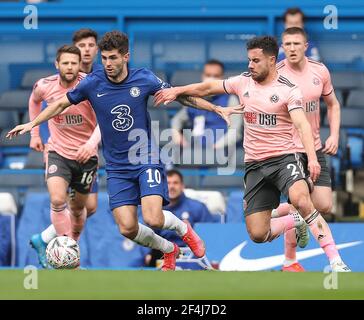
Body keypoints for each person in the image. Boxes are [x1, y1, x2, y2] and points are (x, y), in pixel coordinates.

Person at [7, 31, 242, 271]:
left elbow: (181, 97)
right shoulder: (92, 83)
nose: (108, 64)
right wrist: (32, 124)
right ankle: (169, 249)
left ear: (126, 57)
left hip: (145, 158)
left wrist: (214, 108)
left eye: (113, 58)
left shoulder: (144, 78)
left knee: (153, 218)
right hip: (117, 166)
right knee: (127, 228)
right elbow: (58, 104)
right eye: (105, 58)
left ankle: (185, 231)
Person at [154, 35, 350, 272]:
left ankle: (336, 262)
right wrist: (177, 90)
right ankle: (294, 219)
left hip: (285, 158)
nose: (250, 65)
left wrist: (310, 157)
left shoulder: (289, 90)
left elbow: (302, 125)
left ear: (270, 60)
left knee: (301, 198)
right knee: (259, 233)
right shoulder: (242, 82)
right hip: (255, 165)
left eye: (256, 61)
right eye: (249, 60)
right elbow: (207, 87)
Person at [30, 29, 101, 268]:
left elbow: (105, 118)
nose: (70, 66)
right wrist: (34, 133)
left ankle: (46, 240)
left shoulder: (94, 84)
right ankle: (66, 253)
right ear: (57, 63)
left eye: (74, 63)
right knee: (58, 199)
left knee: (84, 209)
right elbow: (34, 99)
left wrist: (92, 143)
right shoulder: (45, 84)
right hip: (57, 152)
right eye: (66, 62)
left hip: (87, 155)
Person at [272, 27, 341, 271]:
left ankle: (272, 211)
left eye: (296, 44)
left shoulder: (319, 71)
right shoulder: (275, 73)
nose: (291, 48)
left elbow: (333, 105)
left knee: (323, 205)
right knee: (301, 203)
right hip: (287, 149)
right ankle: (290, 261)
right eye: (287, 44)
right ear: (282, 47)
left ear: (306, 45)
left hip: (314, 146)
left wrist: (333, 134)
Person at [145, 169, 217, 267]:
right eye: (168, 183)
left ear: (182, 186)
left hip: (191, 256)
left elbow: (210, 233)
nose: (171, 186)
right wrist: (148, 254)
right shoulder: (156, 209)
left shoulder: (197, 207)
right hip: (162, 254)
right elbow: (149, 234)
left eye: (175, 183)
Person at [171, 59, 241, 150]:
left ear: (222, 78)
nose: (211, 79)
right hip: (195, 152)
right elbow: (178, 119)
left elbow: (235, 132)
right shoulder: (193, 99)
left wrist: (215, 148)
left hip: (221, 153)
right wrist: (176, 134)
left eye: (216, 76)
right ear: (203, 76)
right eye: (208, 75)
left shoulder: (230, 100)